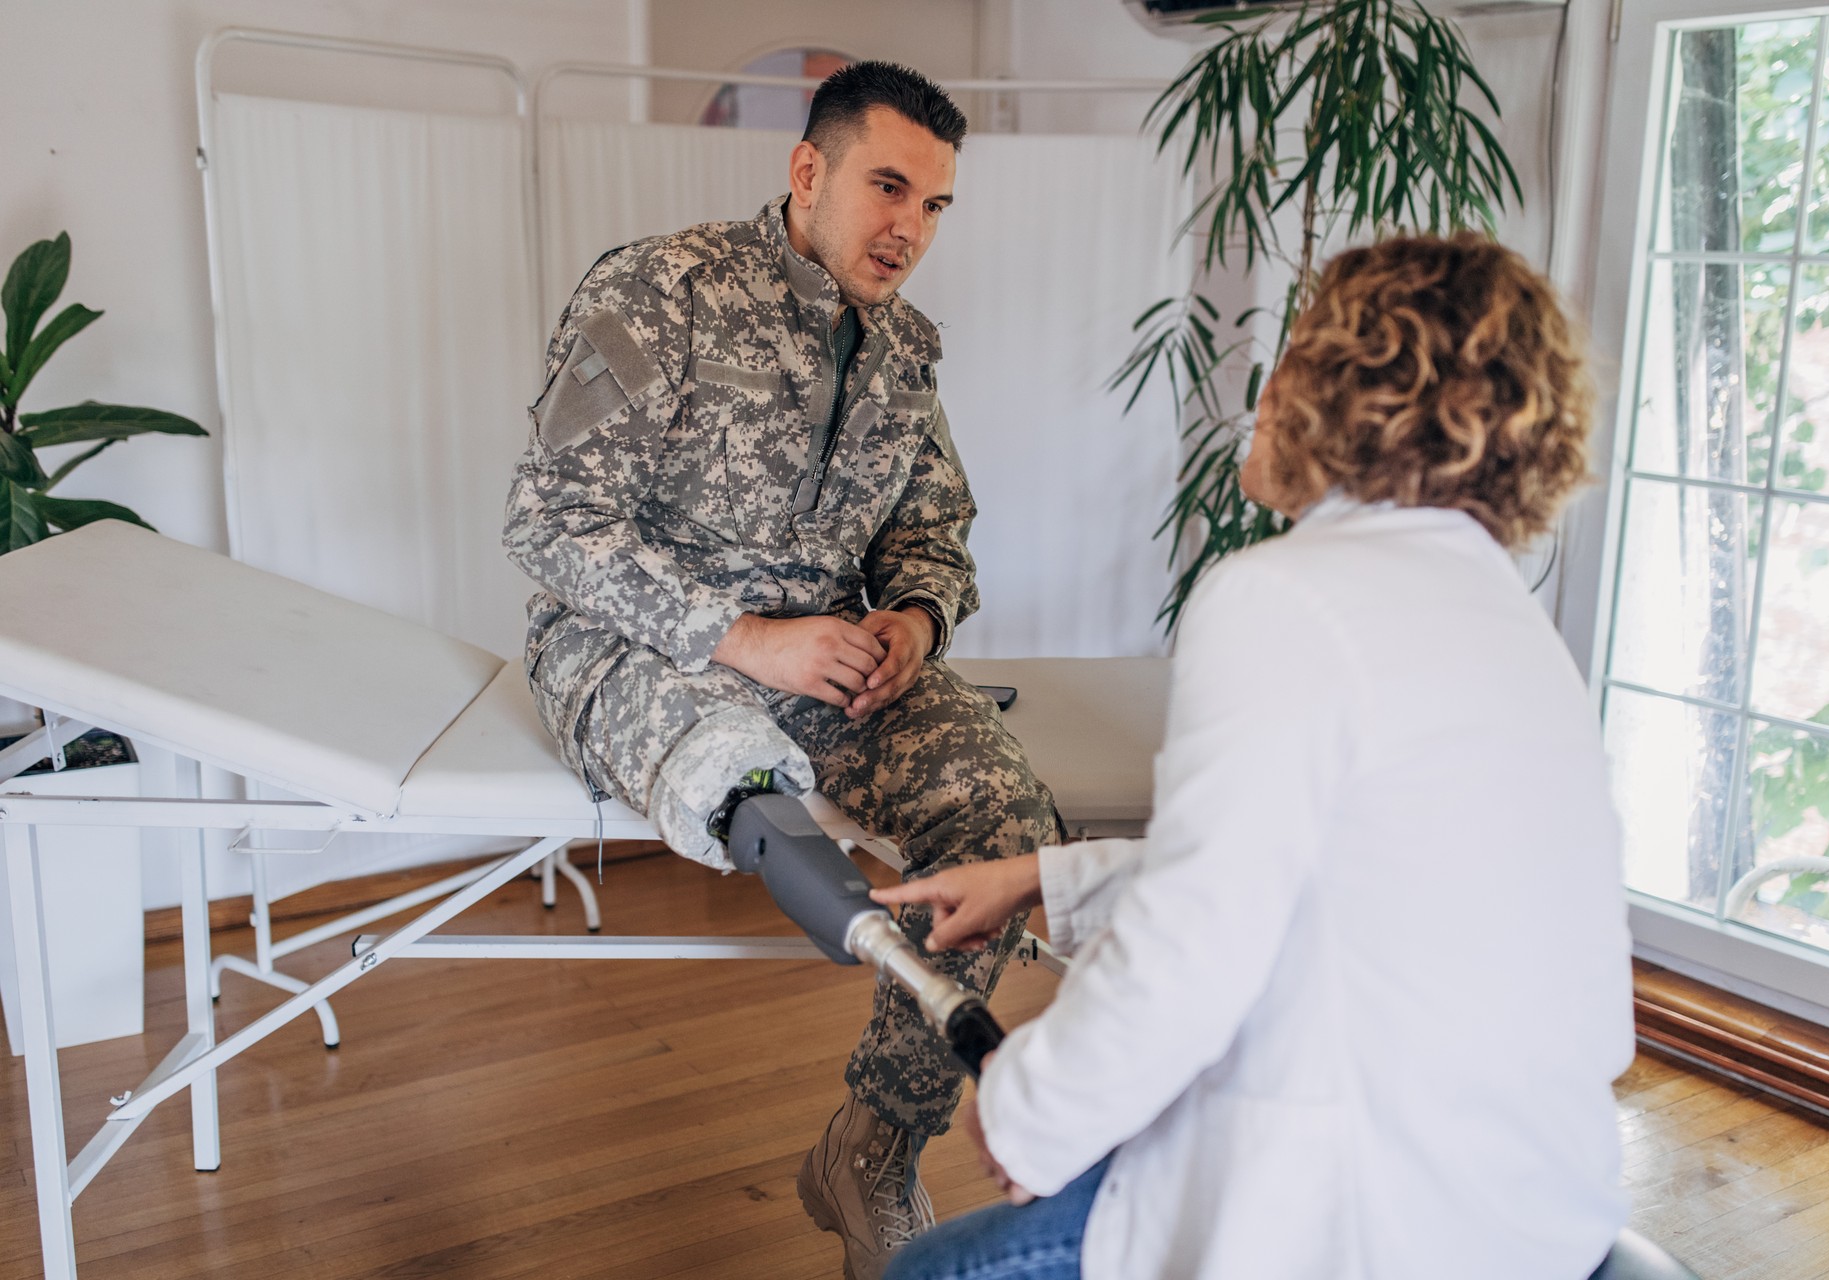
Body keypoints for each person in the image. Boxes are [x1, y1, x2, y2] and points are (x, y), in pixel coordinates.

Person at [874, 235, 1636, 1280]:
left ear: (1342, 393)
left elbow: (1194, 944)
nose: (1265, 388)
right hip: (1535, 1196)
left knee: (928, 1272)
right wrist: (1036, 877)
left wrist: (1028, 1113)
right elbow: (1319, 867)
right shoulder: (1506, 618)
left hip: (1377, 1215)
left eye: (1296, 354)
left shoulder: (1283, 595)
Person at [502, 61, 1058, 1280]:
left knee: (1005, 820)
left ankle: (870, 1145)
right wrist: (746, 637)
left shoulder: (906, 349)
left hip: (837, 664)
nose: (909, 227)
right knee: (729, 771)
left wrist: (912, 618)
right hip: (641, 644)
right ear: (808, 171)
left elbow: (934, 529)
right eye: (888, 186)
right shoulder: (660, 290)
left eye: (936, 204)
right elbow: (549, 523)